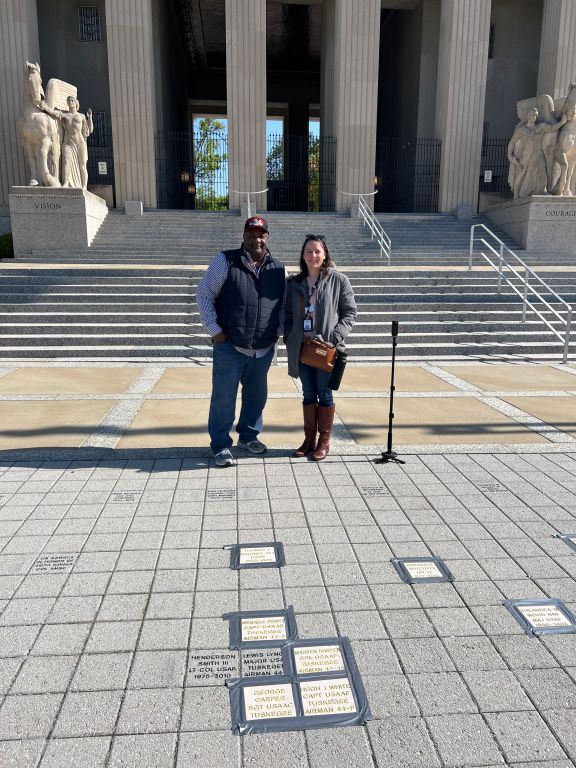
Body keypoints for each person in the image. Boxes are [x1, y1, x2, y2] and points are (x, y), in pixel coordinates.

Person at [197, 216, 286, 467]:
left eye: (261, 235)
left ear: (267, 237)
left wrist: (277, 331)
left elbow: (282, 306)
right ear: (244, 236)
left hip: (263, 348)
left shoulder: (278, 269)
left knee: (256, 396)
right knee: (224, 397)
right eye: (252, 234)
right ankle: (221, 445)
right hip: (230, 345)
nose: (257, 239)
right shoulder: (225, 261)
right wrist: (215, 330)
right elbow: (204, 293)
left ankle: (248, 437)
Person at [284, 234, 356, 461]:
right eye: (309, 251)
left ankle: (324, 442)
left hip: (326, 349)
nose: (313, 255)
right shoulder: (293, 283)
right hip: (302, 349)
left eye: (317, 251)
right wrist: (289, 337)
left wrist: (335, 338)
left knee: (324, 393)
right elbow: (286, 314)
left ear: (325, 255)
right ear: (303, 256)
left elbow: (349, 313)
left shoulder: (339, 280)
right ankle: (309, 440)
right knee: (308, 393)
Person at [41, 95, 93, 188]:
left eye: (72, 100)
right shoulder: (64, 115)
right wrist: (45, 107)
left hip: (80, 143)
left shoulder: (81, 116)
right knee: (66, 161)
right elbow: (54, 114)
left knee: (82, 165)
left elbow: (89, 130)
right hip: (68, 143)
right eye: (68, 100)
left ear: (76, 103)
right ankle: (66, 183)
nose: (70, 102)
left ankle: (84, 187)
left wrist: (90, 118)